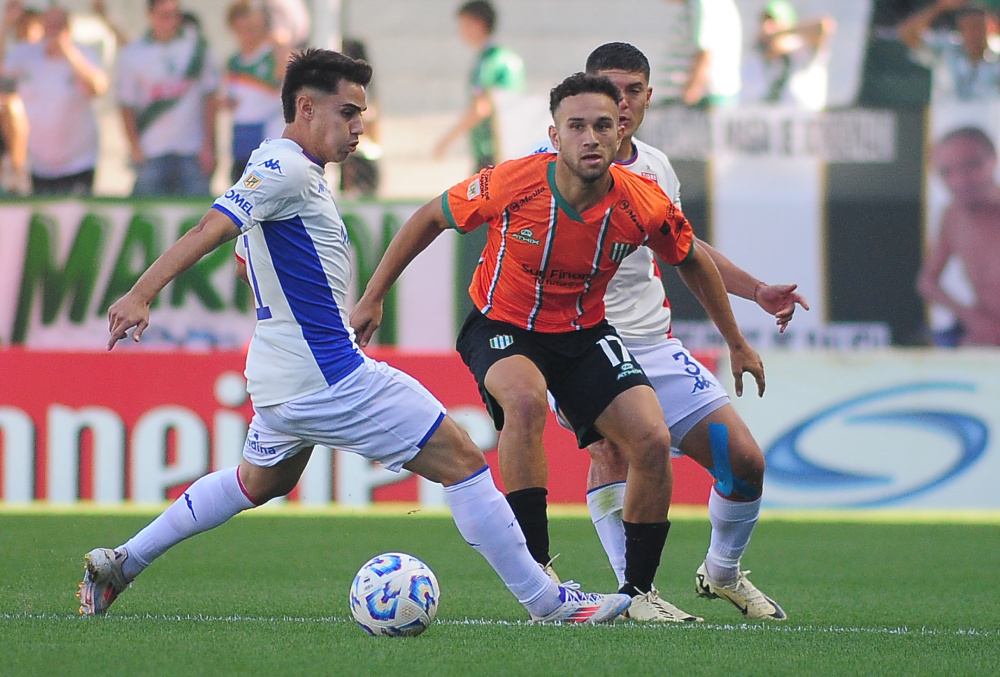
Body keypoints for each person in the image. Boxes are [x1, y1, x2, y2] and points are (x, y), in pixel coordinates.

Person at [78, 48, 628, 625]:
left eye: (362, 114)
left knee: (259, 480)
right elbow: (211, 227)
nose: (359, 128)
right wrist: (142, 291)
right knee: (464, 459)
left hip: (279, 375)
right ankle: (547, 601)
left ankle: (123, 562)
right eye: (348, 113)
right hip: (325, 373)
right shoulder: (285, 168)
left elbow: (247, 254)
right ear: (306, 107)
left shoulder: (282, 167)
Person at [351, 72, 765, 622]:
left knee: (650, 438)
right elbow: (430, 216)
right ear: (555, 135)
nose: (591, 138)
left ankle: (638, 595)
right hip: (502, 324)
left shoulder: (643, 202)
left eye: (602, 126)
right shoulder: (514, 182)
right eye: (577, 127)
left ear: (621, 134)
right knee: (524, 401)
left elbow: (690, 257)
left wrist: (735, 340)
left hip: (584, 334)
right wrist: (373, 297)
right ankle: (539, 574)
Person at [528, 43, 805, 621]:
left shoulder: (654, 168)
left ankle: (722, 573)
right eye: (610, 90)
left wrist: (754, 295)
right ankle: (636, 596)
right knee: (615, 448)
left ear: (649, 98)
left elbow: (685, 250)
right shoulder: (545, 165)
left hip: (654, 344)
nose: (622, 104)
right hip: (580, 345)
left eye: (633, 91)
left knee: (745, 462)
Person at [116, 0, 220, 197]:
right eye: (164, 15)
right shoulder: (133, 53)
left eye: (174, 15)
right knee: (150, 215)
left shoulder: (197, 47)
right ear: (150, 15)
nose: (170, 21)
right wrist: (135, 147)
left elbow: (210, 98)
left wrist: (209, 145)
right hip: (151, 151)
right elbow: (125, 105)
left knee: (197, 221)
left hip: (192, 149)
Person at [1, 5, 106, 196]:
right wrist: (6, 26)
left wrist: (68, 51)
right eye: (49, 25)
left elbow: (98, 87)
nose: (53, 30)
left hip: (77, 162)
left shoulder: (83, 53)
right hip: (39, 164)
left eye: (58, 25)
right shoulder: (26, 54)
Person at [918, 126, 1000, 346]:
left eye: (971, 166)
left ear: (993, 160)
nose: (960, 180)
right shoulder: (953, 216)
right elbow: (927, 282)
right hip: (985, 336)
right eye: (946, 172)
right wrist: (973, 319)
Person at [433, 0, 525, 170]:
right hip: (513, 149)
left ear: (478, 24)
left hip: (492, 150)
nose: (460, 31)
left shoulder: (488, 61)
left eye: (463, 25)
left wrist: (446, 141)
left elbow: (481, 107)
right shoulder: (509, 58)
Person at [222, 0, 289, 184]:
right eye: (241, 29)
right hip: (242, 135)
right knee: (240, 188)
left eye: (251, 27)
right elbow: (229, 100)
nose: (247, 34)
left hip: (269, 136)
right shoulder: (234, 62)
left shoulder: (274, 53)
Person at [740, 0, 836, 110]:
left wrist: (781, 33)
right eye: (764, 22)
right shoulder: (756, 59)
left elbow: (823, 26)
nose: (767, 28)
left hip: (804, 122)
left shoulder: (803, 50)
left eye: (773, 22)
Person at [899, 0, 1000, 102]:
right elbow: (908, 35)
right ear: (960, 30)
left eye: (978, 27)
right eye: (969, 28)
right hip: (946, 114)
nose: (974, 34)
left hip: (987, 115)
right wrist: (940, 7)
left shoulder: (996, 58)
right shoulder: (945, 51)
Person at [656, 0, 742, 107]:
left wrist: (686, 101)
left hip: (705, 103)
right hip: (704, 101)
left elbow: (704, 54)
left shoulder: (703, 3)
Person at [0, 1, 38, 195]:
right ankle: (17, 169)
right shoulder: (17, 57)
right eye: (23, 26)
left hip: (47, 154)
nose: (28, 32)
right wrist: (6, 23)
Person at [338, 37, 381, 199]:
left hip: (357, 159)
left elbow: (369, 126)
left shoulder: (358, 90)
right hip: (361, 156)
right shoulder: (367, 89)